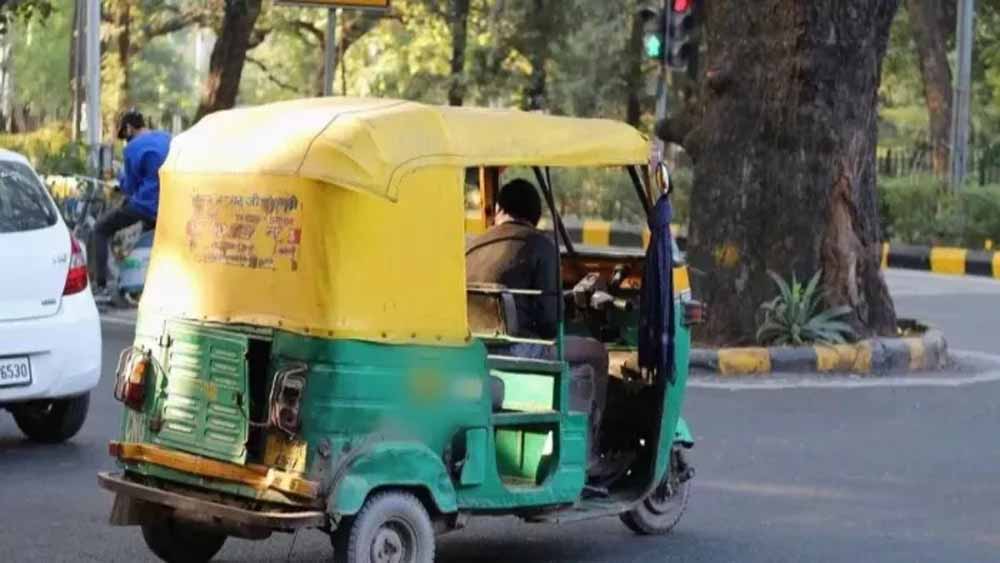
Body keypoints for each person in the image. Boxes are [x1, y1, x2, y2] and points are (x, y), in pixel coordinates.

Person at [466, 179, 609, 466]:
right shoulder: (541, 246)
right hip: (519, 350)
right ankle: (591, 451)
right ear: (535, 215)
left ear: (499, 209)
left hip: (474, 349)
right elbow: (548, 325)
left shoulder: (471, 246)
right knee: (597, 353)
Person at [93, 110, 171, 302]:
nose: (126, 140)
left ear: (128, 128)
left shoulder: (133, 148)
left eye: (124, 135)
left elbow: (130, 187)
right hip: (169, 205)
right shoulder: (167, 138)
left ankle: (101, 287)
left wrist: (120, 175)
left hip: (146, 206)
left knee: (100, 229)